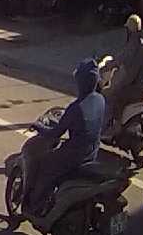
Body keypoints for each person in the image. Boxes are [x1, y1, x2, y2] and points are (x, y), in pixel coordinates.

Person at [26, 58, 105, 215]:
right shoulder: (100, 100)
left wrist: (39, 127)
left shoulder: (76, 108)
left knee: (44, 166)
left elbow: (55, 133)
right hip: (92, 151)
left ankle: (36, 206)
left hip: (73, 155)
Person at [103, 14, 143, 134]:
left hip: (142, 88)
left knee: (118, 97)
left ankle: (115, 128)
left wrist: (121, 84)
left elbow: (133, 72)